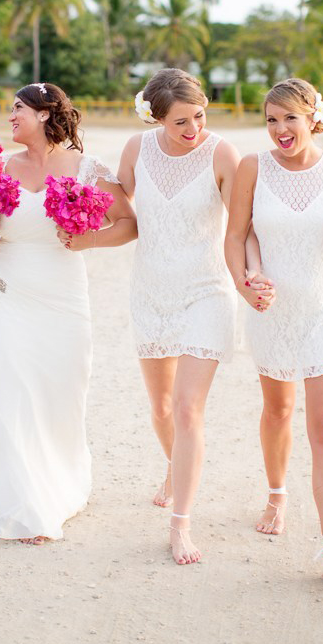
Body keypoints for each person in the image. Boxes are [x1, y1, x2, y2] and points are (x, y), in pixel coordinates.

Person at [0, 82, 137, 543]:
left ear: (44, 115)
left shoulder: (87, 168)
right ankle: (22, 501)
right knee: (10, 386)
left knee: (57, 391)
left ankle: (53, 478)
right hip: (7, 288)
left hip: (63, 295)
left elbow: (128, 223)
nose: (10, 116)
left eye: (18, 108)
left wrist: (90, 240)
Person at [117, 69, 268, 565]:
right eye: (180, 121)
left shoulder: (222, 154)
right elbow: (119, 212)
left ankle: (180, 524)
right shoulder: (137, 150)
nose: (192, 129)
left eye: (199, 116)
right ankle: (173, 465)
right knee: (160, 408)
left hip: (206, 290)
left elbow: (242, 228)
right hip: (151, 291)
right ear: (155, 116)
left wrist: (253, 276)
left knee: (186, 409)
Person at [225, 78, 323, 582]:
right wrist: (247, 285)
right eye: (271, 119)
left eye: (289, 117)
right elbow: (237, 236)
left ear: (313, 117)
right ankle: (276, 496)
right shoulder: (252, 167)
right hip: (273, 311)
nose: (280, 129)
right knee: (278, 409)